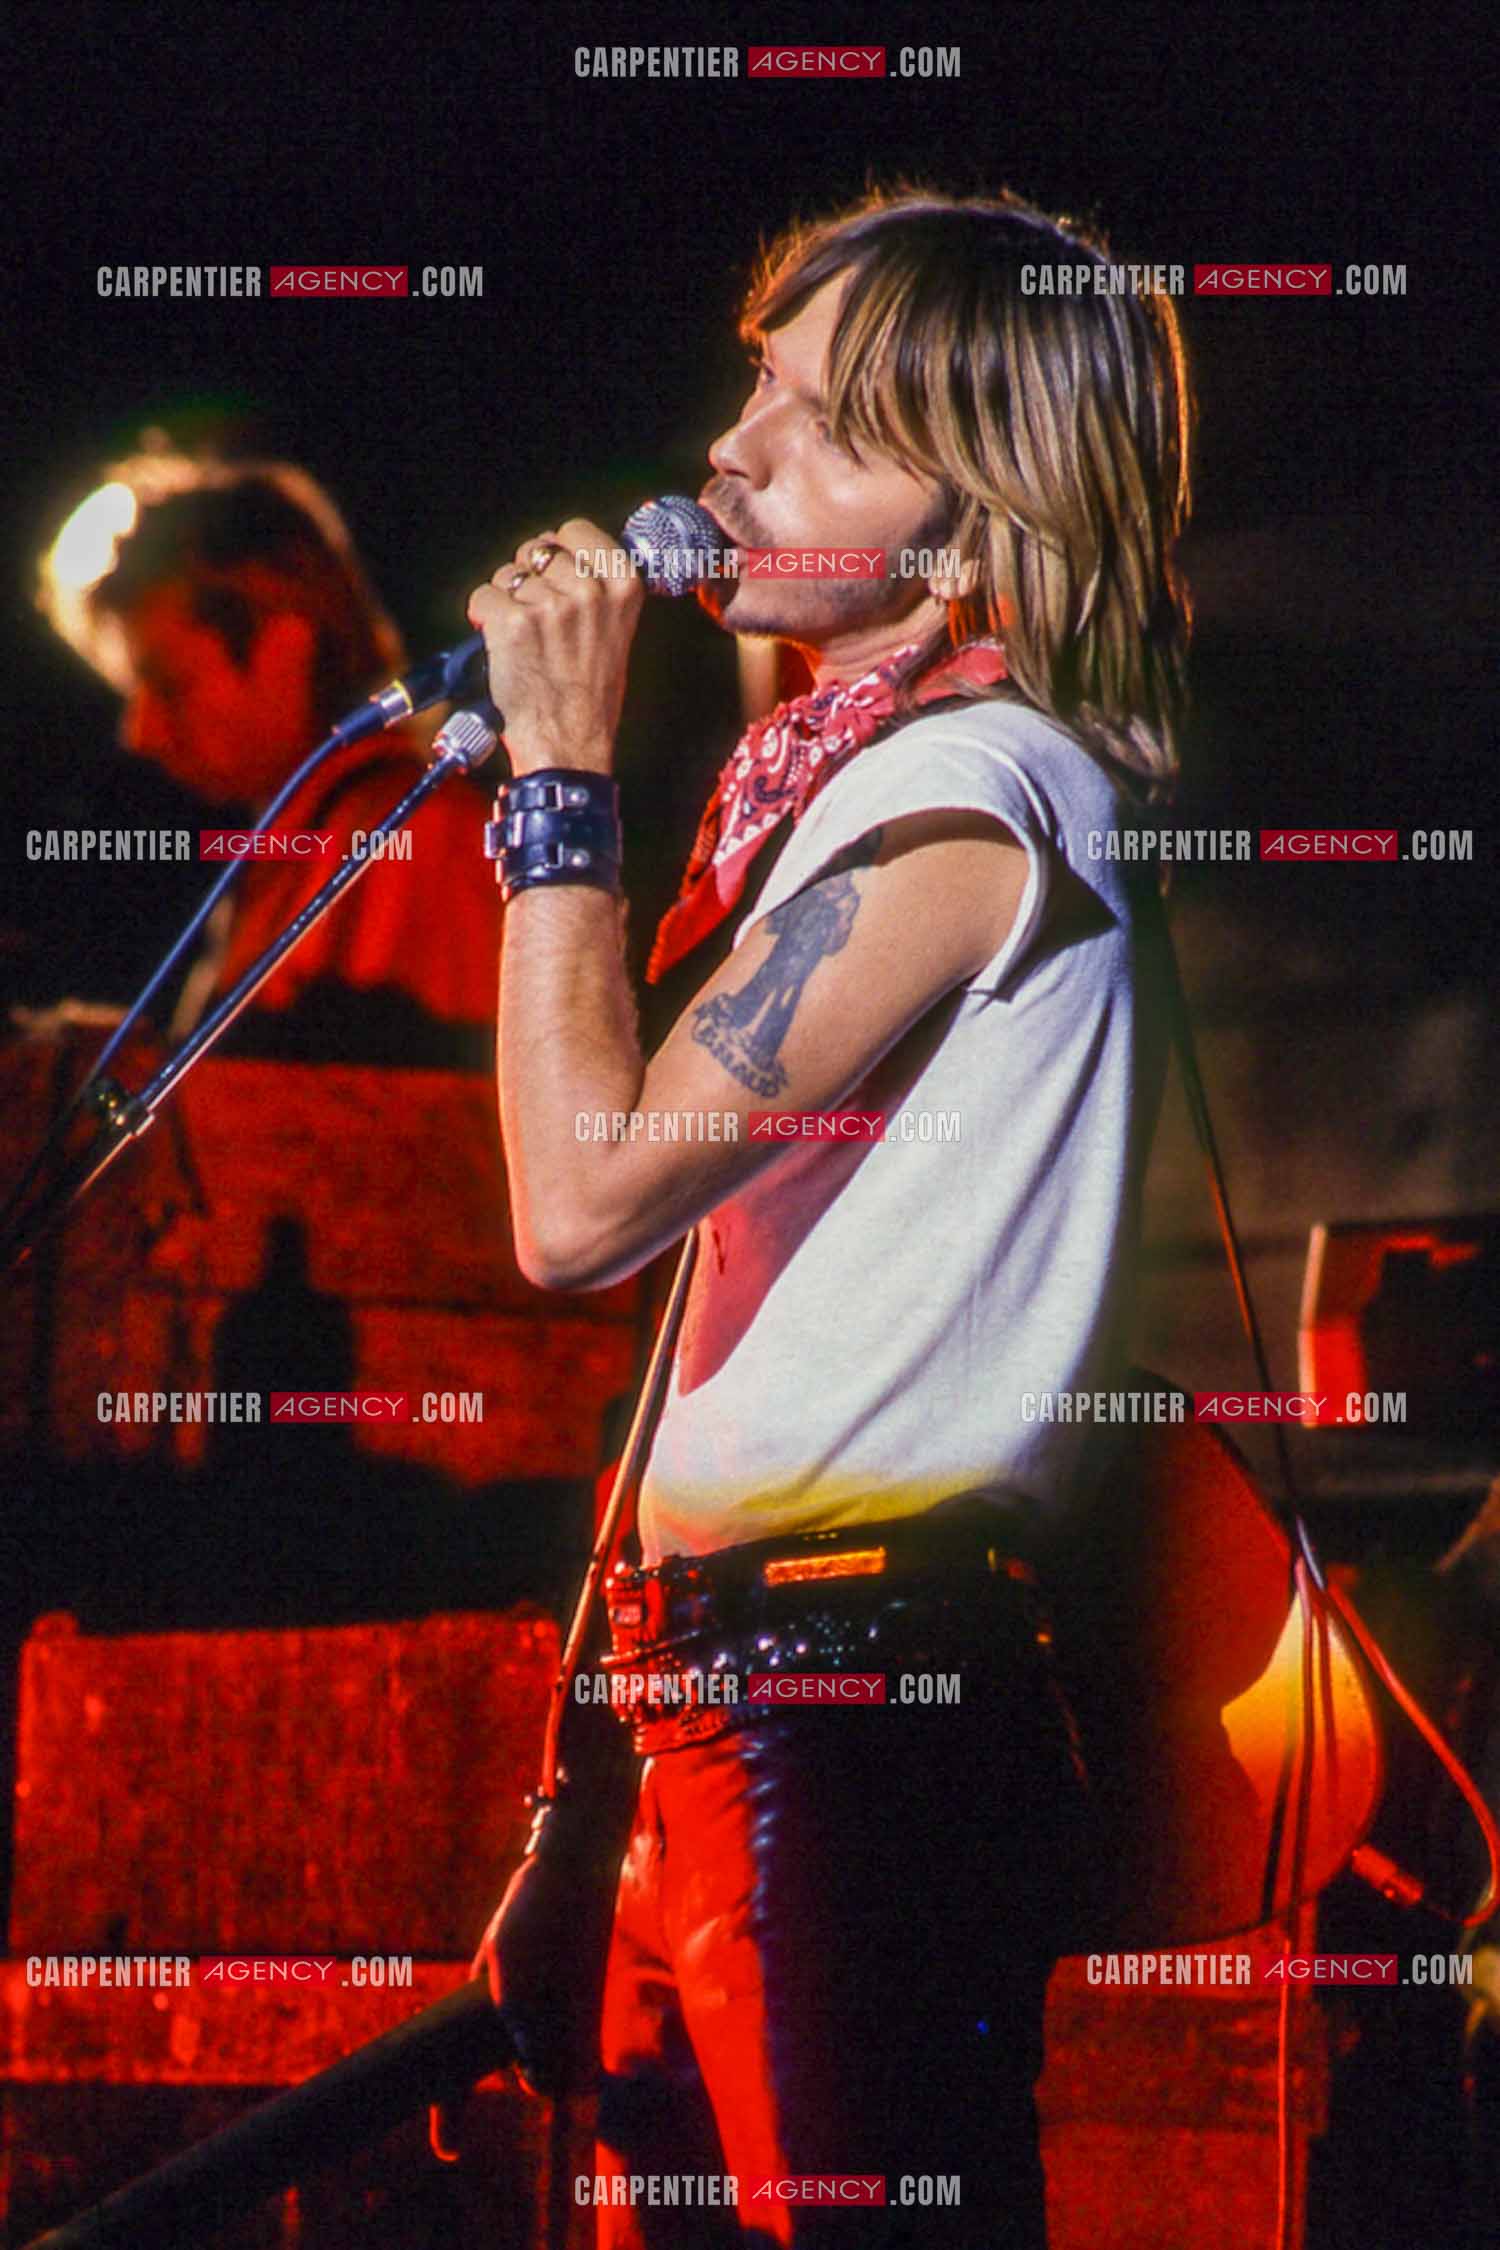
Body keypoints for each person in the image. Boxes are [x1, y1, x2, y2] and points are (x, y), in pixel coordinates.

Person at [468, 186, 1194, 2247]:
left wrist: (558, 782)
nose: (735, 450)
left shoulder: (967, 795)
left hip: (859, 1699)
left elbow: (581, 1202)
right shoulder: (837, 783)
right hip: (735, 1682)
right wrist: (591, 1787)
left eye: (827, 422)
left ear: (977, 511)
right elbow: (723, 1321)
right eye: (757, 386)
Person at [35, 454, 500, 1065]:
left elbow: (457, 1114)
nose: (140, 733)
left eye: (170, 685)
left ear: (288, 646)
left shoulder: (425, 834)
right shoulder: (294, 848)